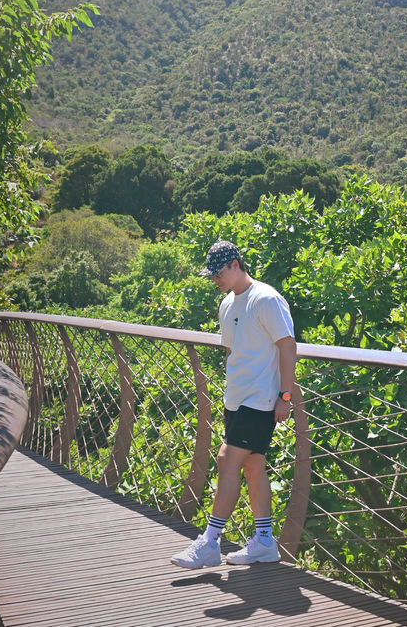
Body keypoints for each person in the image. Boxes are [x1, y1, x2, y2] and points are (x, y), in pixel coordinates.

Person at [171, 240, 297, 569]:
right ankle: (265, 542)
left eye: (219, 272)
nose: (216, 279)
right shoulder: (227, 304)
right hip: (236, 401)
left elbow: (287, 347)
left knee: (227, 459)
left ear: (237, 264)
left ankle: (210, 542)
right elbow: (233, 354)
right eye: (211, 275)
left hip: (261, 401)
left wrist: (285, 396)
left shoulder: (267, 298)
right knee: (253, 466)